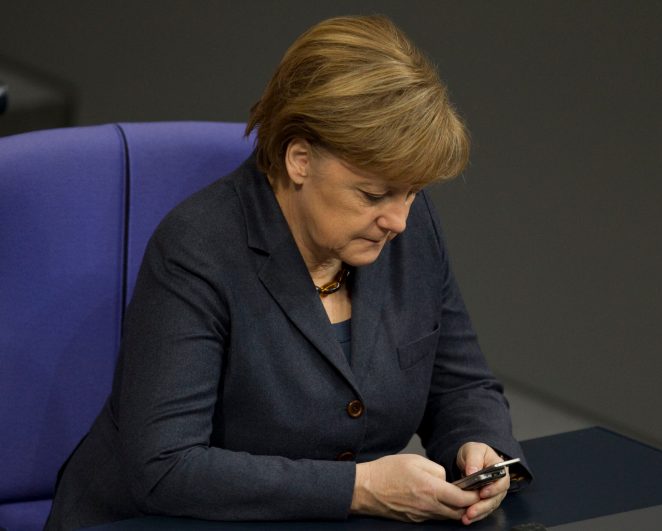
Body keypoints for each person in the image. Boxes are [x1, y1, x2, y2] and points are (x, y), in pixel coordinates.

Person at [45, 15, 529, 531]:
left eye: (412, 192)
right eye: (373, 194)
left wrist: (481, 450)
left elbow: (461, 385)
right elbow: (167, 468)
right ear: (299, 159)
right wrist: (361, 488)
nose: (398, 220)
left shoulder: (406, 231)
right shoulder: (197, 249)